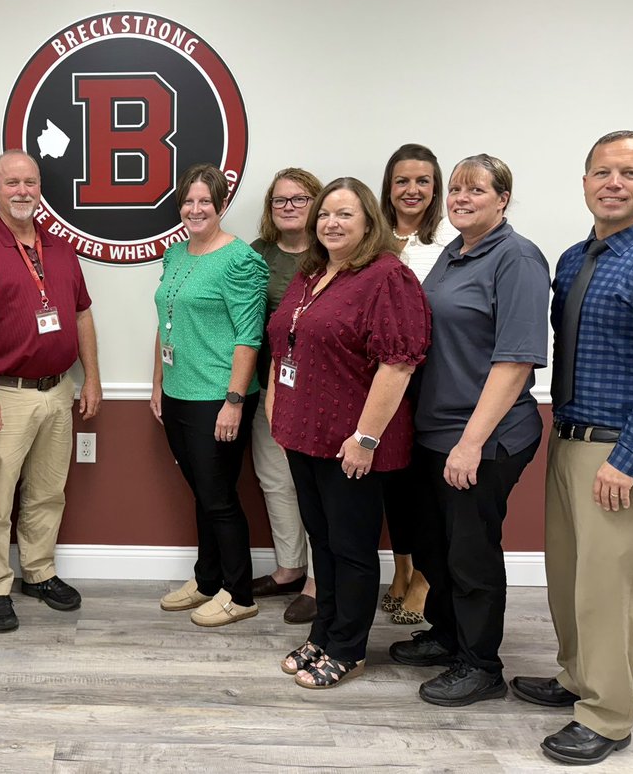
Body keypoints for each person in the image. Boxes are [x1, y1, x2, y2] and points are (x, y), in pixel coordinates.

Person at [514, 132, 633, 766]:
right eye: (602, 172)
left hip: (629, 451)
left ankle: (608, 716)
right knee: (572, 580)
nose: (614, 182)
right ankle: (577, 680)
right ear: (585, 182)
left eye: (630, 173)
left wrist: (626, 460)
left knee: (613, 589)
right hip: (571, 440)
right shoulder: (574, 260)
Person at [389, 154, 549, 707]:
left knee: (471, 554)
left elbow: (515, 361)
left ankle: (480, 665)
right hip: (434, 431)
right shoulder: (453, 255)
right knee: (434, 546)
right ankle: (447, 636)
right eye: (454, 189)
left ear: (502, 199)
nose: (460, 197)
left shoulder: (518, 258)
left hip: (485, 436)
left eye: (474, 189)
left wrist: (471, 443)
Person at [267, 177, 429, 688]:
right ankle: (325, 633)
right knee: (325, 543)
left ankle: (349, 647)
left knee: (353, 548)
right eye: (325, 216)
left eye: (344, 215)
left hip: (351, 442)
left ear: (367, 223)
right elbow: (285, 344)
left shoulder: (386, 277)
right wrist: (279, 412)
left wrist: (365, 438)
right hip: (304, 434)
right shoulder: (312, 271)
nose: (331, 223)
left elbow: (398, 364)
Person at [0, 149, 102, 633]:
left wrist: (91, 378)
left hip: (58, 390)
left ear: (40, 188)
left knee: (47, 492)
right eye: (11, 182)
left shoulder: (60, 248)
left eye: (30, 182)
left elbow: (81, 314)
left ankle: (38, 572)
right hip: (4, 393)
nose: (22, 191)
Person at [151, 164, 268, 627]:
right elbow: (165, 322)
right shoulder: (175, 254)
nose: (195, 209)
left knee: (218, 496)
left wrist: (234, 401)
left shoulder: (240, 260)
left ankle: (238, 593)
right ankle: (206, 581)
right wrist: (158, 382)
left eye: (205, 201)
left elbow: (249, 336)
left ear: (221, 206)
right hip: (178, 392)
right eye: (188, 201)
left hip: (218, 397)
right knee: (202, 492)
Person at [377, 143, 457, 626]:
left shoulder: (450, 239)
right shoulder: (375, 236)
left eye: (423, 181)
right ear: (389, 187)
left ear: (436, 187)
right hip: (381, 384)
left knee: (425, 486)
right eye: (402, 181)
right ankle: (402, 567)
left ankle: (425, 577)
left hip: (429, 381)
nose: (412, 190)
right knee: (392, 485)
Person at [246, 168, 322, 625]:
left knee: (313, 488)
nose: (289, 206)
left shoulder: (334, 251)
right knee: (275, 481)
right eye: (280, 200)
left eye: (299, 198)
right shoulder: (258, 255)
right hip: (268, 387)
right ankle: (290, 568)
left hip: (320, 396)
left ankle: (318, 581)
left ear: (317, 202)